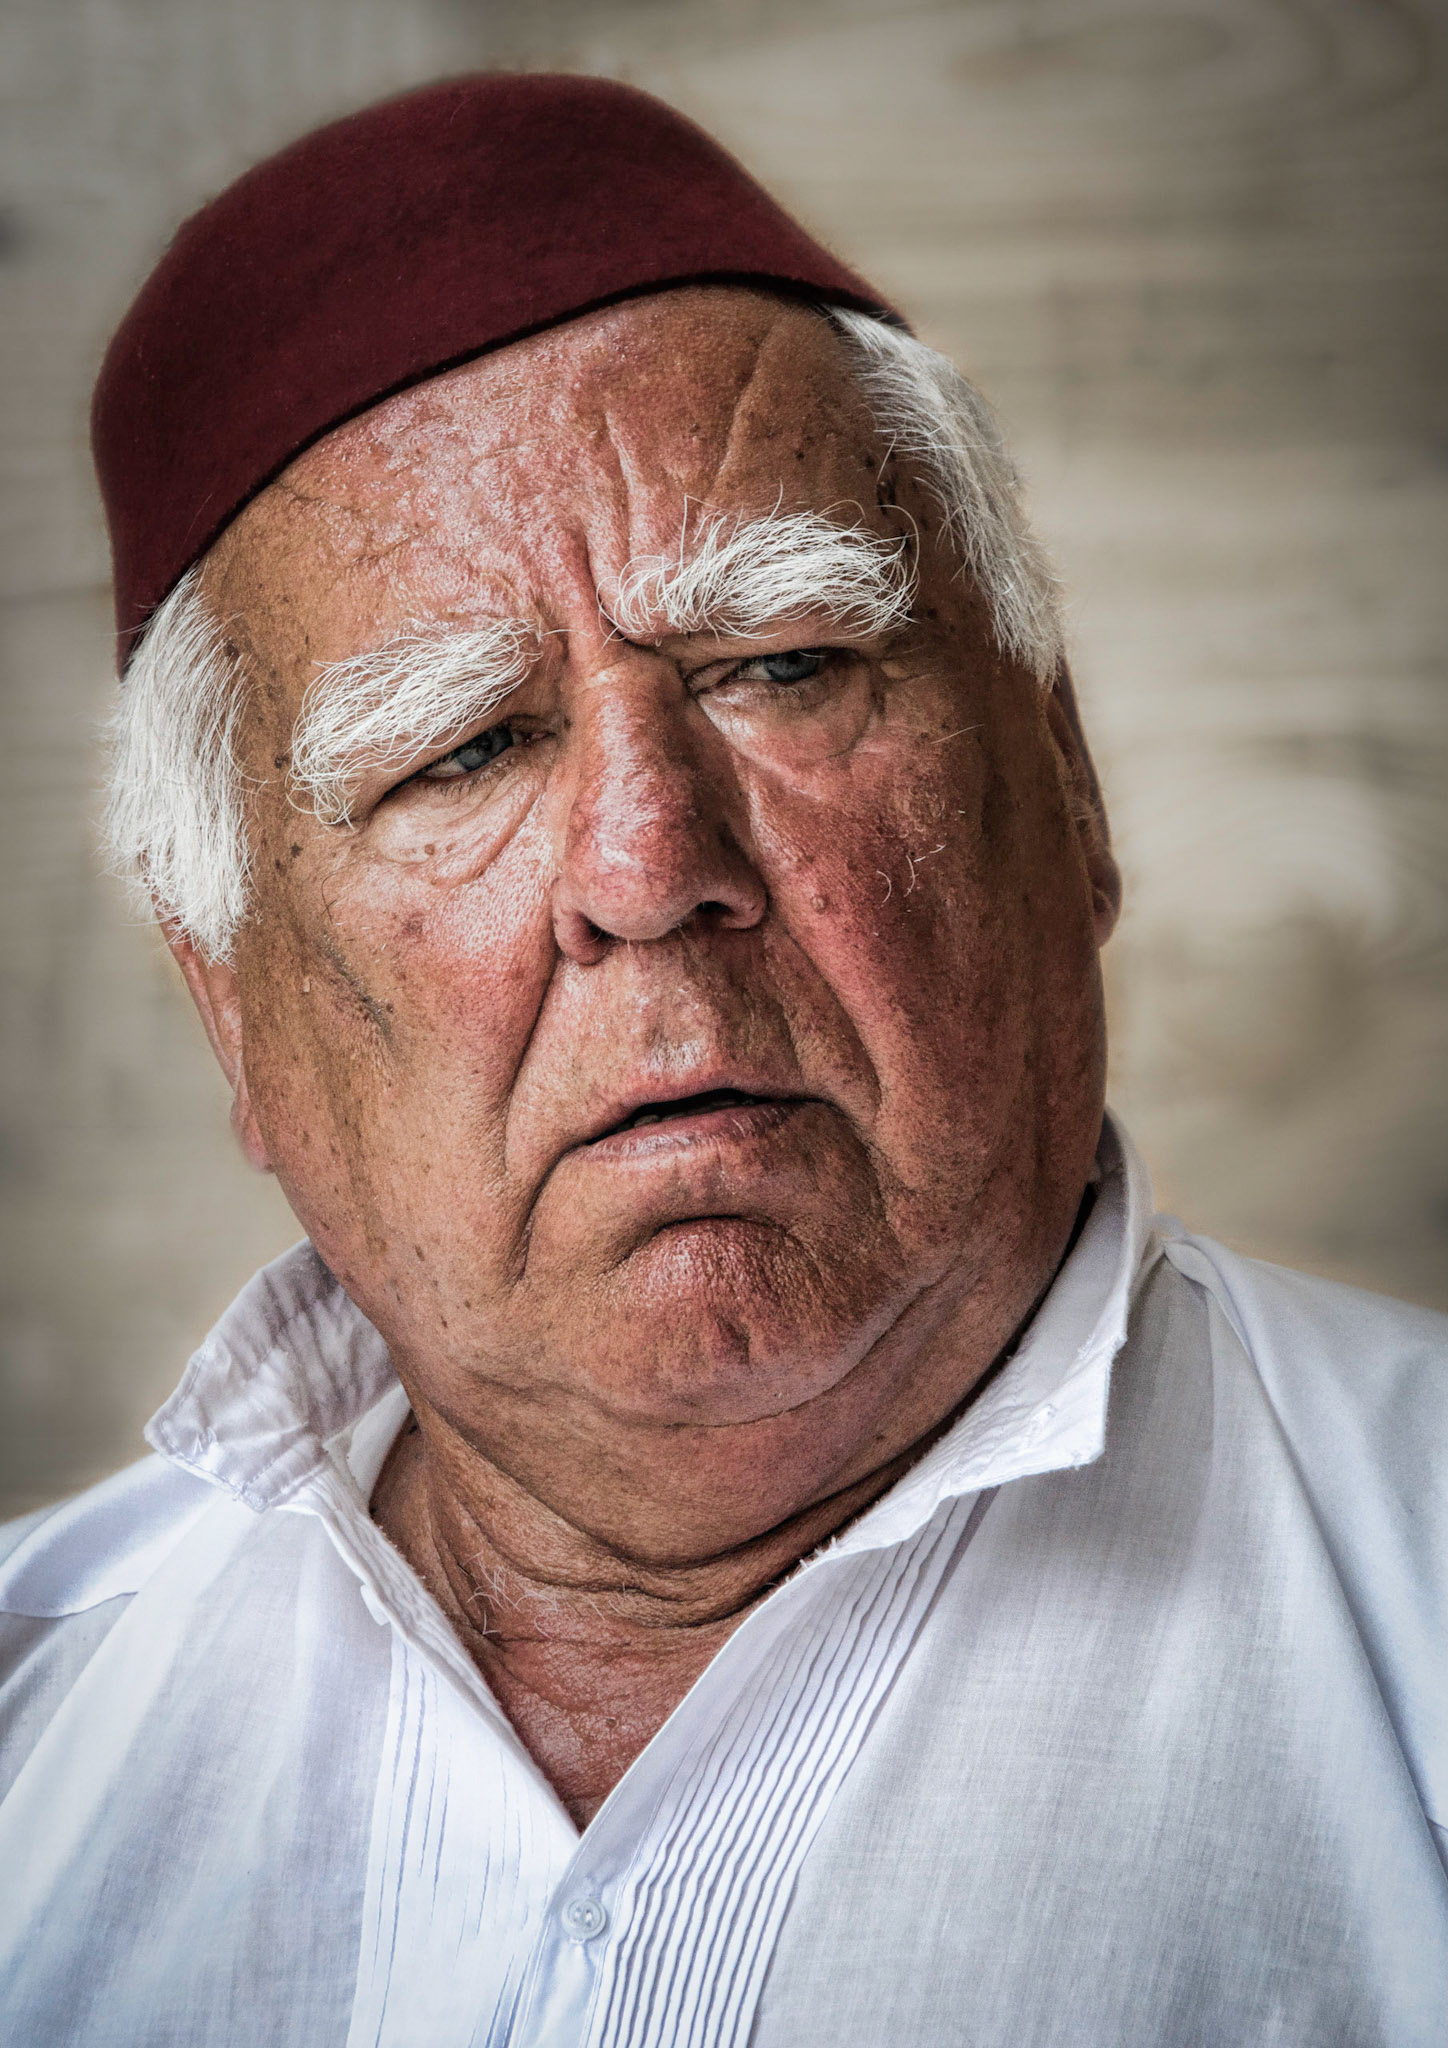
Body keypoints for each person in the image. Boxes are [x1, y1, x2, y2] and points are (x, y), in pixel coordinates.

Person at [0, 73, 1443, 2048]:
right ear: (234, 1009)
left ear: (1064, 774)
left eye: (779, 661)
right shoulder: (33, 1728)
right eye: (459, 751)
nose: (645, 866)